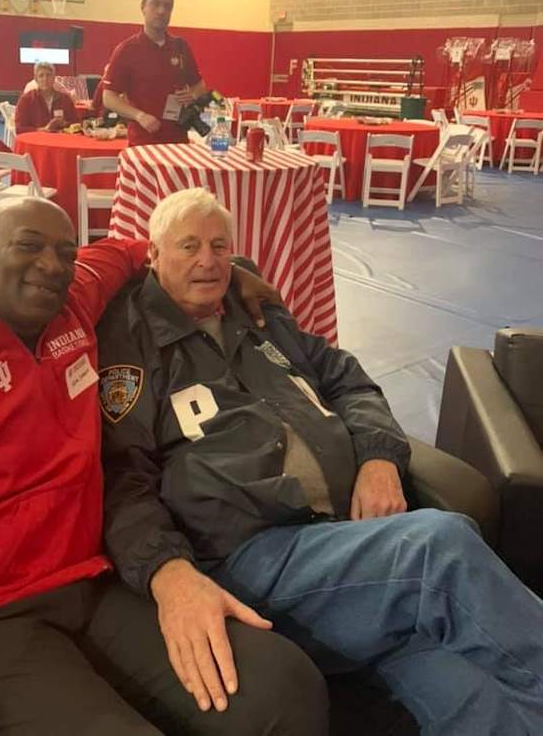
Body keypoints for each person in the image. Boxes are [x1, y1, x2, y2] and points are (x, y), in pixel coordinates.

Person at [0, 197, 326, 736]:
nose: (50, 264)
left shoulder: (70, 307)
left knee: (282, 688)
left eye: (64, 253)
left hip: (86, 587)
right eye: (28, 245)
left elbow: (132, 249)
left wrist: (228, 271)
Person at [96, 187, 543, 736]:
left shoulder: (255, 314)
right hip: (249, 550)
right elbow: (122, 480)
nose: (208, 260)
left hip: (338, 540)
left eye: (219, 245)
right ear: (153, 255)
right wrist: (168, 572)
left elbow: (347, 379)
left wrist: (378, 458)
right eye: (188, 246)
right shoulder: (134, 347)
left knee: (472, 695)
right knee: (438, 548)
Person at [102, 0, 206, 146]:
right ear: (143, 8)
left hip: (179, 142)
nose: (161, 11)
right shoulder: (126, 50)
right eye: (155, 4)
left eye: (167, 6)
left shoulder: (180, 47)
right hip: (143, 142)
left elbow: (200, 86)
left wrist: (192, 95)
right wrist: (139, 116)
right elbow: (108, 97)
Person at [15, 61, 80, 134]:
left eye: (48, 75)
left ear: (54, 78)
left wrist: (64, 124)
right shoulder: (26, 99)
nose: (45, 79)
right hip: (36, 141)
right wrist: (44, 129)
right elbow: (19, 129)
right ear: (36, 79)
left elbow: (77, 124)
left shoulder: (65, 99)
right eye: (41, 76)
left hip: (60, 141)